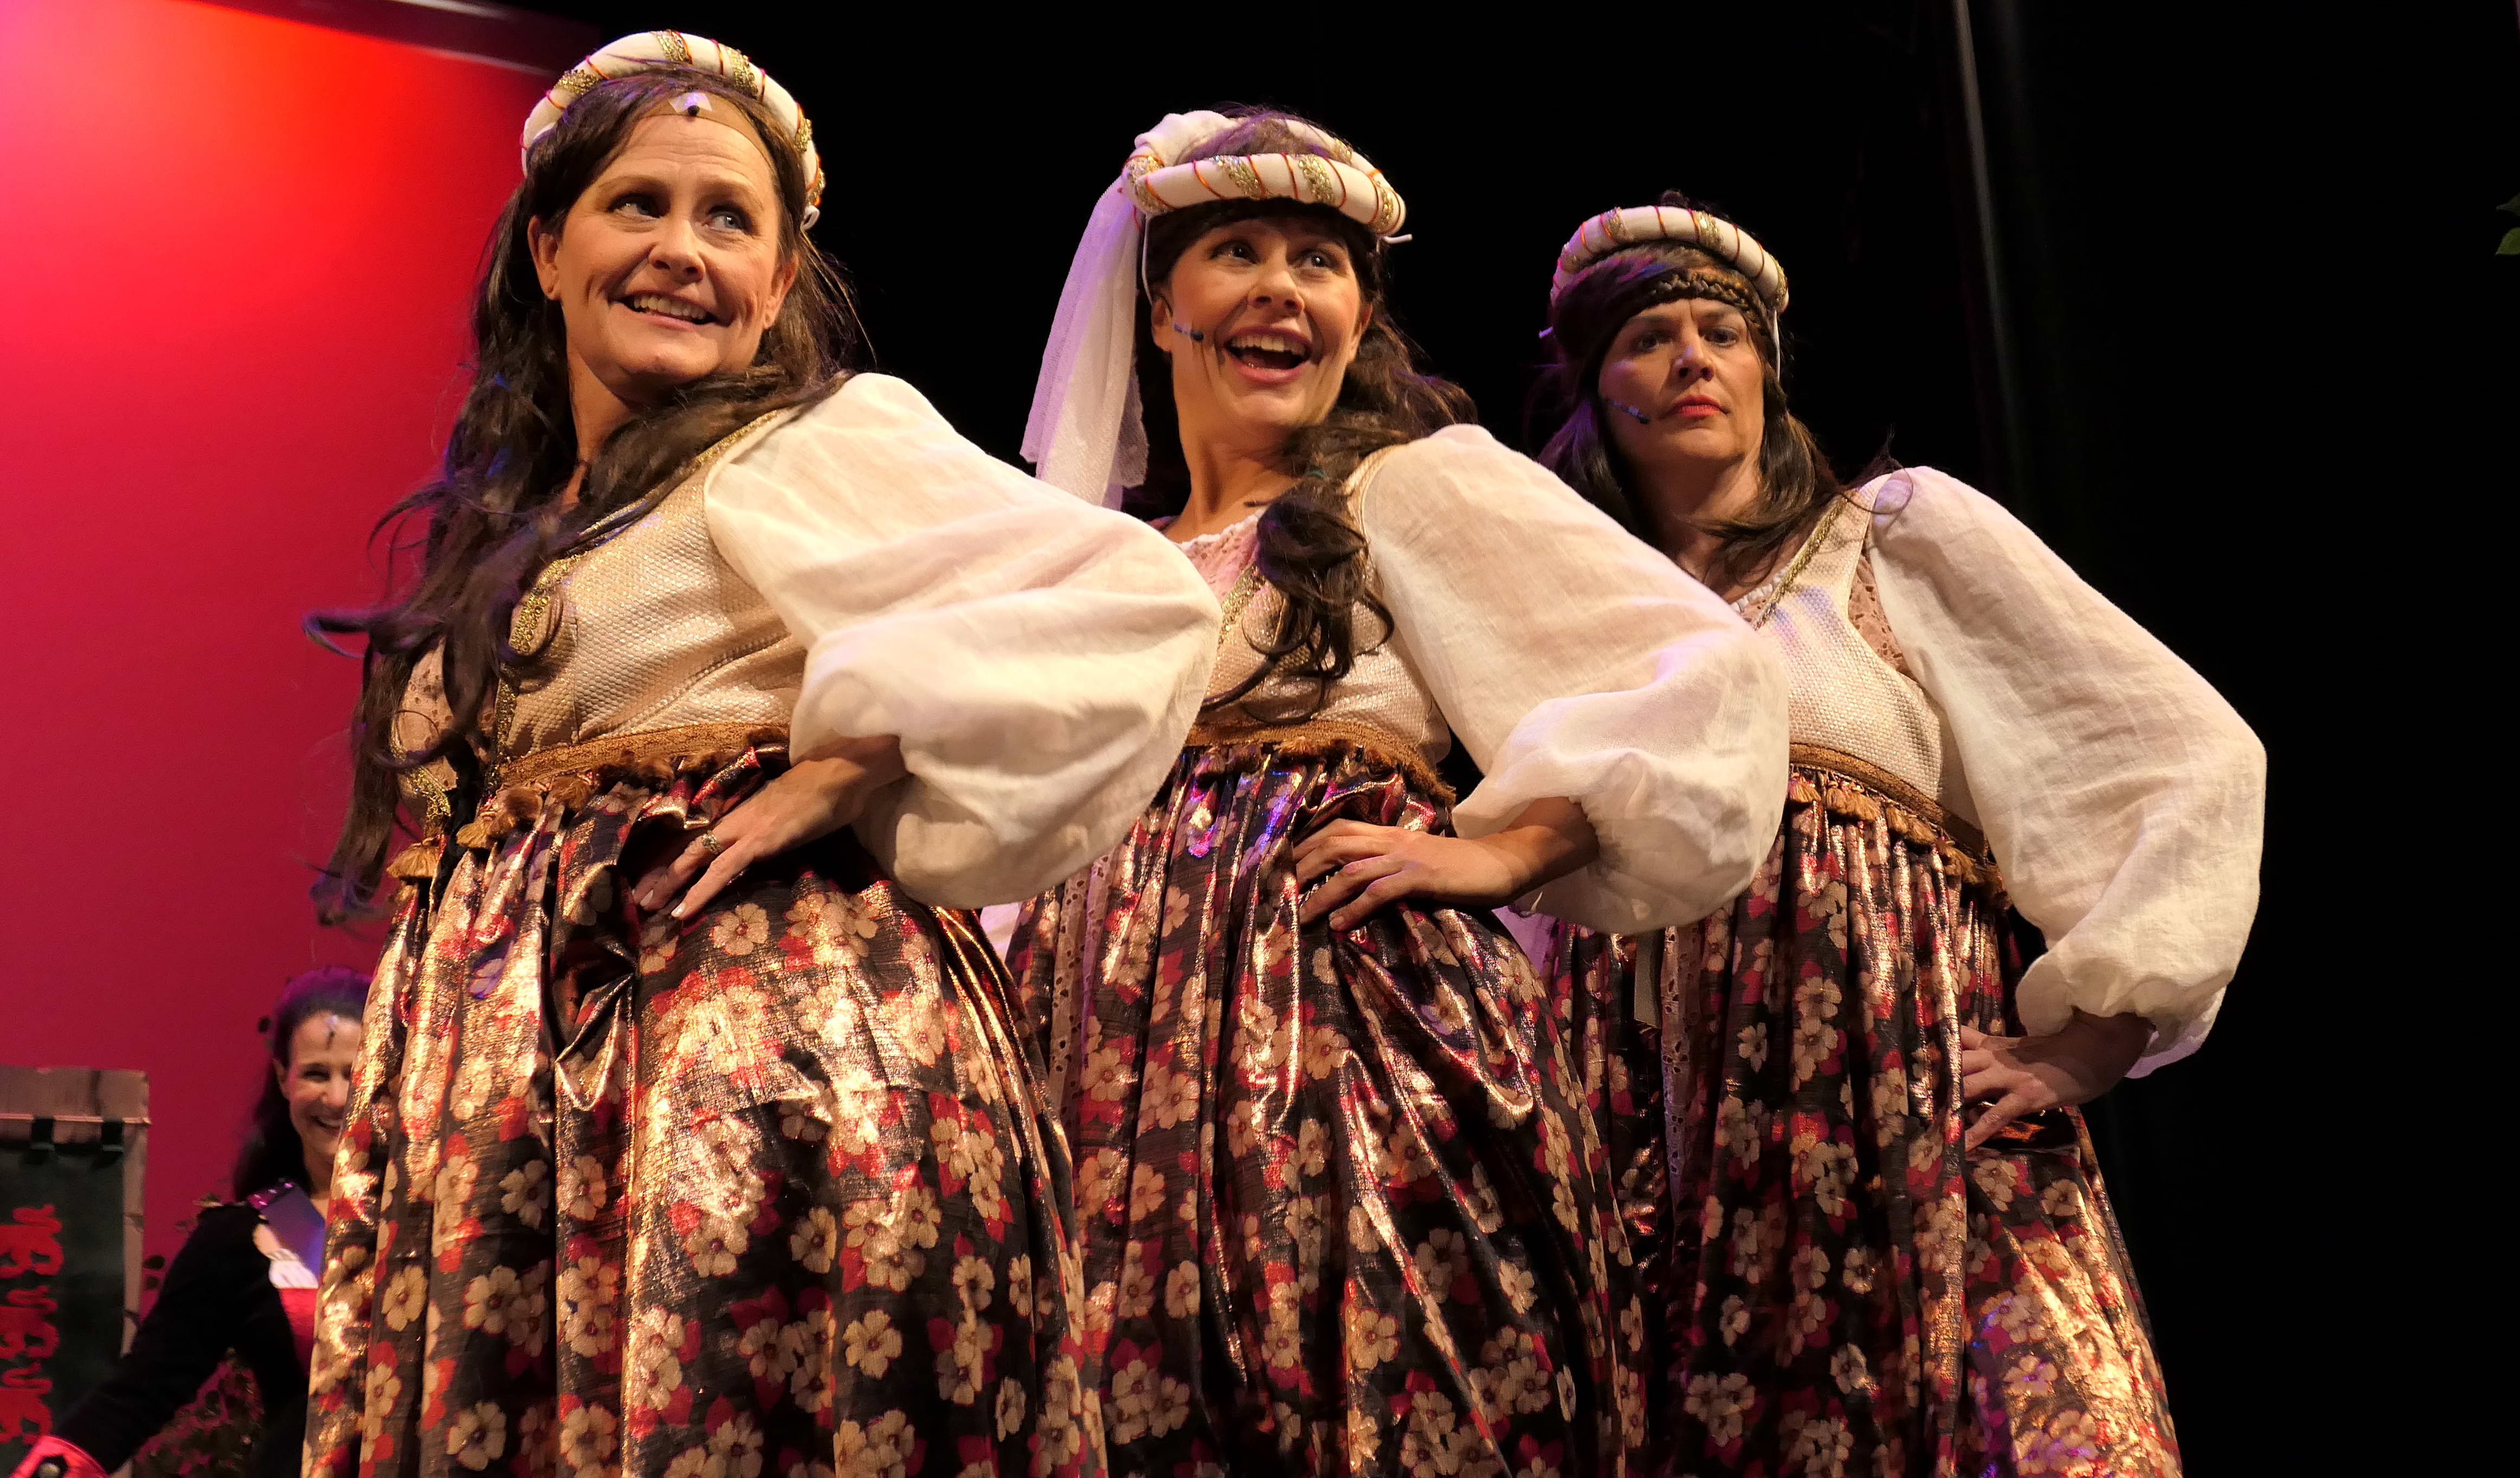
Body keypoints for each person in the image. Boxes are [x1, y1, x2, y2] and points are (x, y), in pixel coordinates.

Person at [300, 34, 1222, 1478]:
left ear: (779, 281)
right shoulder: (514, 525)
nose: (682, 250)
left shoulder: (809, 444)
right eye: (639, 204)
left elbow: (1139, 601)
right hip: (519, 1117)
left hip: (761, 1084)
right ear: (546, 248)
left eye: (728, 219)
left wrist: (856, 751)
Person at [1011, 112, 1789, 1475]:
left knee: (1372, 1391)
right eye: (1237, 252)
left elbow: (1699, 667)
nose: (1279, 288)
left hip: (1349, 1048)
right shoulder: (1101, 559)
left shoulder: (1405, 487)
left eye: (1317, 263)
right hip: (1110, 1068)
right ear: (1160, 306)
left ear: (1359, 317)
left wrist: (1506, 851)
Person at [1532, 197, 2266, 1476]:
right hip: (1659, 1156)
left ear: (1767, 370)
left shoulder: (1886, 536)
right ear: (1598, 387)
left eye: (1722, 332)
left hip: (1908, 1112)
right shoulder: (1576, 616)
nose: (1693, 357)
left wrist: (2093, 1035)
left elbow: (2178, 746)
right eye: (1649, 336)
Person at [10, 968, 369, 1478]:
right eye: (315, 1073)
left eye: (357, 1073)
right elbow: (140, 1392)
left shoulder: (441, 1223)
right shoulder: (241, 1240)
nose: (336, 1097)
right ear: (282, 1078)